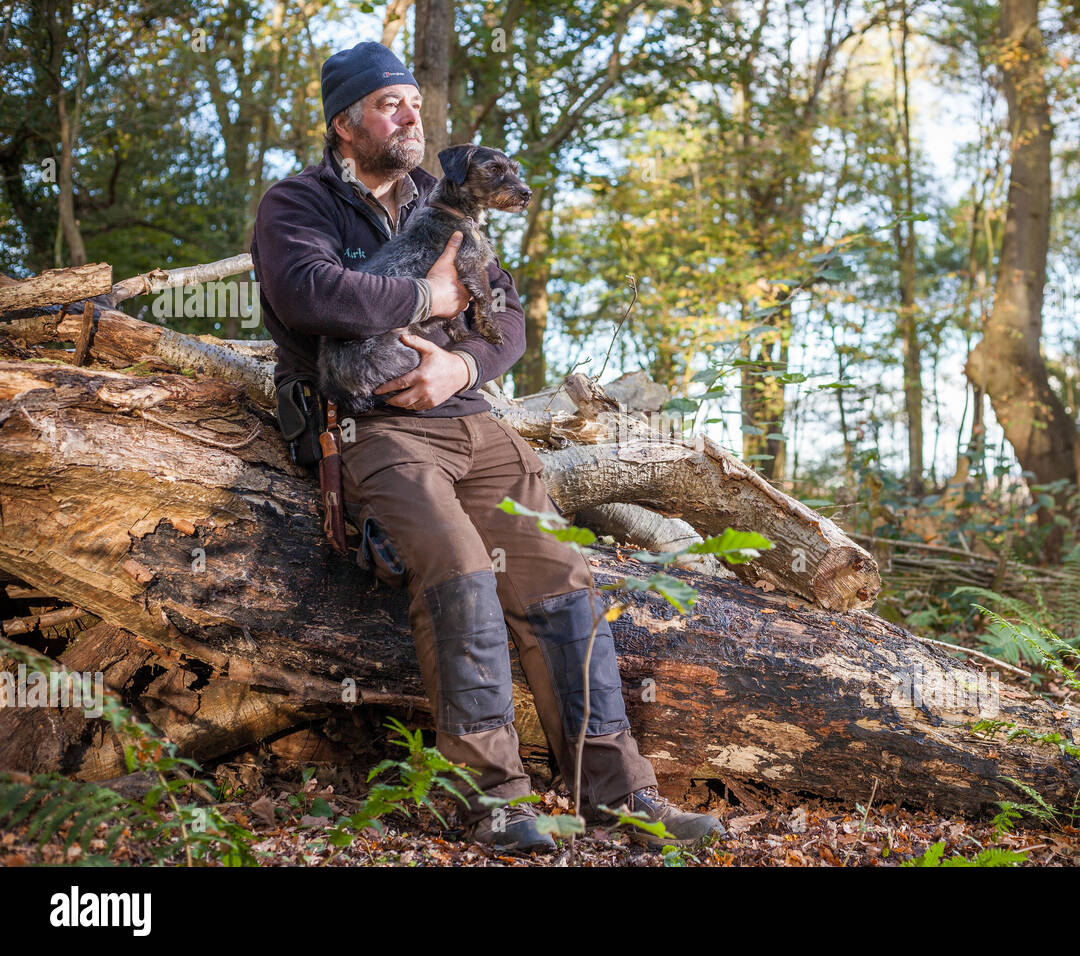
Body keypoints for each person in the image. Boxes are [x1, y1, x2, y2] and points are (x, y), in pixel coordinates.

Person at [250, 40, 724, 854]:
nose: (410, 114)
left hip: (471, 418)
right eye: (387, 104)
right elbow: (311, 294)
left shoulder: (445, 196)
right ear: (344, 124)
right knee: (463, 571)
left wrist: (461, 362)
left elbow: (507, 317)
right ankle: (494, 800)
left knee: (563, 582)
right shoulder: (297, 205)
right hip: (374, 425)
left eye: (413, 100)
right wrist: (426, 295)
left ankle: (620, 795)